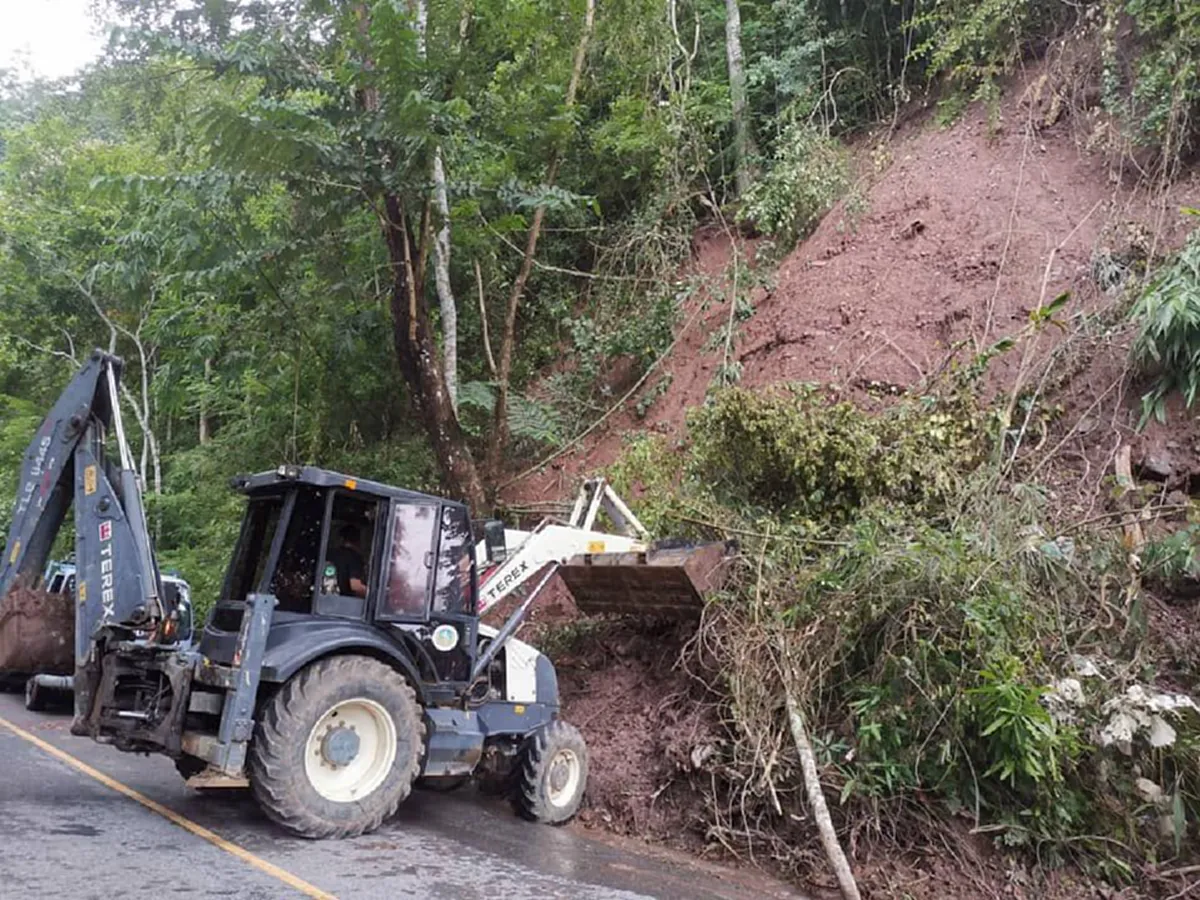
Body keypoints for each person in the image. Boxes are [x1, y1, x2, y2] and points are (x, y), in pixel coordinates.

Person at [325, 524, 368, 598]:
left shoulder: (330, 554)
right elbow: (355, 586)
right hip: (345, 604)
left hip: (327, 599)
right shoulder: (354, 557)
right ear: (358, 541)